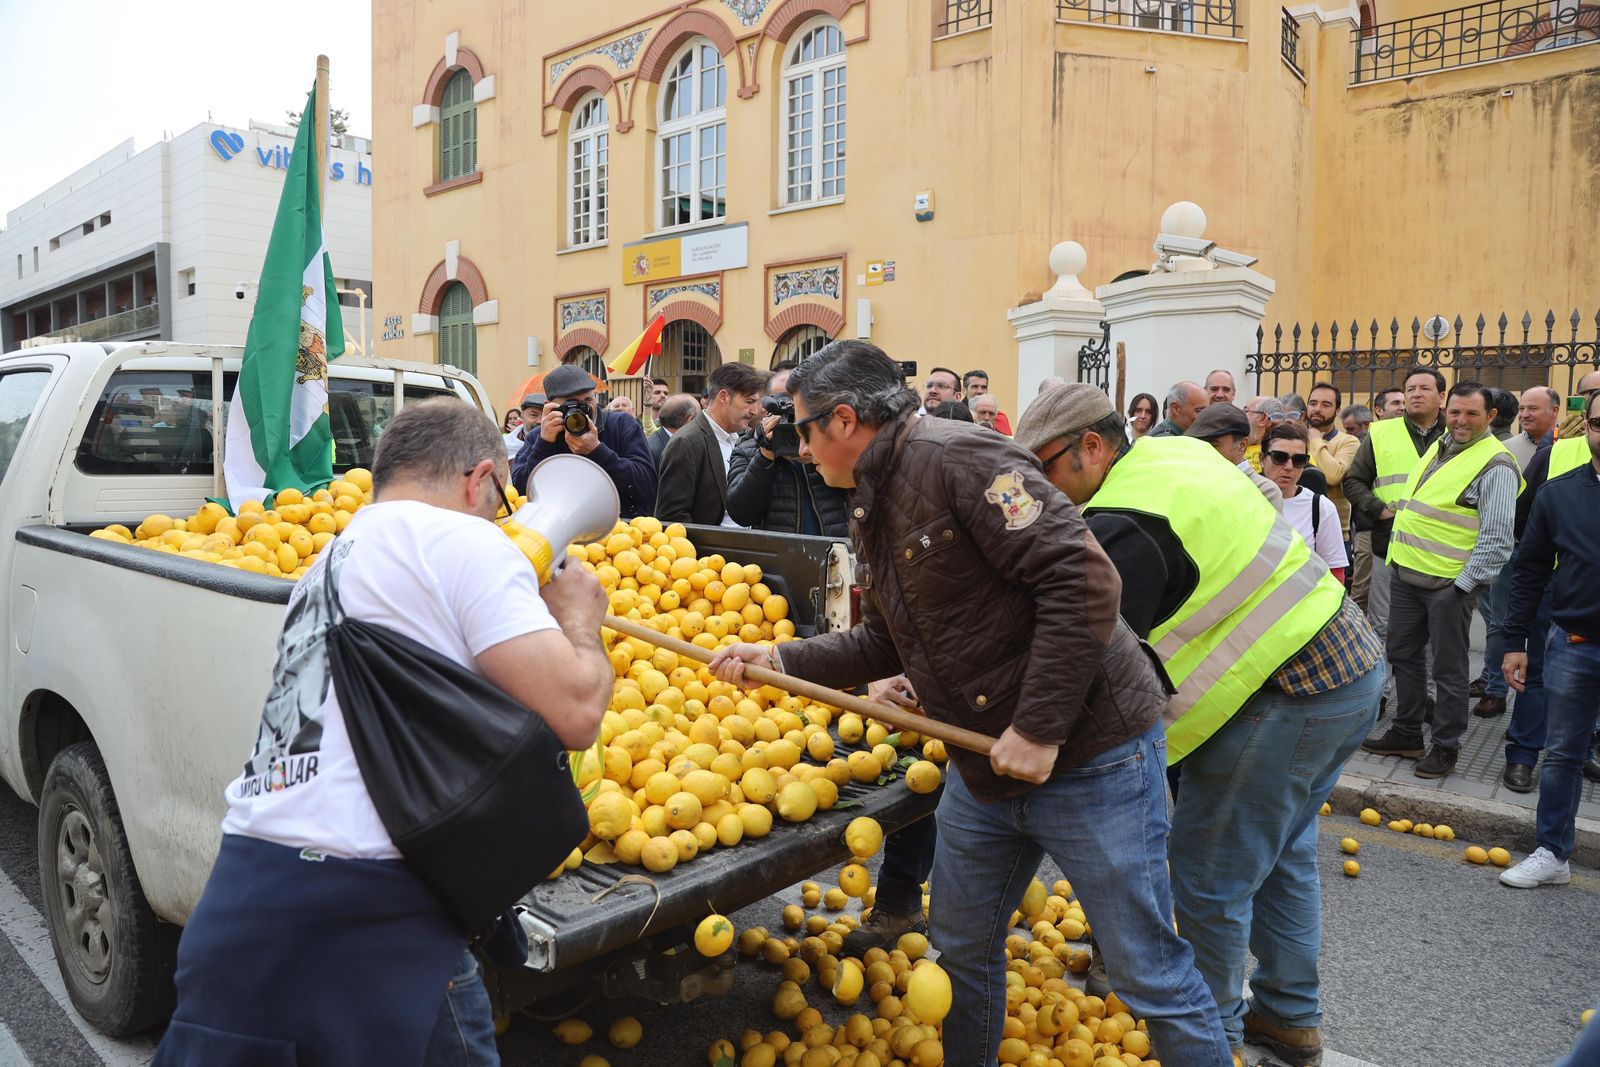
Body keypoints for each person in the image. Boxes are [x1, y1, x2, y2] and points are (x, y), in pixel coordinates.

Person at [710, 343, 1231, 1067]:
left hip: (1089, 754)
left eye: (803, 430)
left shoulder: (965, 461)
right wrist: (782, 659)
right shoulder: (873, 499)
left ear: (845, 418)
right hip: (985, 768)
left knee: (1148, 970)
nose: (798, 448)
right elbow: (886, 638)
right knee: (960, 953)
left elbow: (1082, 583)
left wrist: (1040, 727)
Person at [155, 399, 610, 1066]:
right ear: (479, 478)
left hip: (243, 900)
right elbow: (576, 712)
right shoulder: (462, 538)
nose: (500, 518)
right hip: (373, 913)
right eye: (502, 500)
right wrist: (579, 621)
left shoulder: (327, 564)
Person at [1013, 384, 1383, 1067]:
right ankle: (1290, 1019)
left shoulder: (1123, 520)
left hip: (1286, 690)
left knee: (1209, 881)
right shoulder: (1177, 456)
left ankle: (1212, 1042)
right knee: (1285, 857)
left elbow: (1083, 655)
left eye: (1045, 469)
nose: (1040, 489)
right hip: (1348, 664)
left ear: (1092, 447)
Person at [1360, 382, 1519, 780]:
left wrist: (1463, 587)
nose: (1462, 421)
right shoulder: (1443, 444)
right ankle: (1407, 733)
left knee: (1448, 673)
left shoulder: (1495, 464)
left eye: (1472, 415)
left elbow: (1498, 539)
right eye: (1456, 413)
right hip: (1408, 575)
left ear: (1490, 417)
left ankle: (1446, 747)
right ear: (1446, 411)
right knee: (1402, 656)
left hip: (1448, 587)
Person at [1497, 389, 1600, 888]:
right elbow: (1529, 570)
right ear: (1588, 428)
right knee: (1562, 754)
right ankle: (1553, 852)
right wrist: (1515, 641)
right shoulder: (1558, 493)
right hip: (1574, 645)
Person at [1469, 386, 1561, 719]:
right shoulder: (1504, 449)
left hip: (1554, 556)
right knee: (1500, 622)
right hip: (1512, 547)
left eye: (1533, 409)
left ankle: (1538, 695)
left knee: (1544, 627)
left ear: (1554, 411)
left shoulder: (1566, 450)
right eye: (1522, 408)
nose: (1525, 415)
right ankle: (1494, 688)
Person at [1342, 368, 1448, 646]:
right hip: (1389, 544)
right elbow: (1353, 481)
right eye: (1410, 389)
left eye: (1424, 388)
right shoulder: (1382, 433)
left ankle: (1427, 690)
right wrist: (1378, 509)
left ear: (1442, 396)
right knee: (1385, 623)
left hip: (1442, 547)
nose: (1415, 394)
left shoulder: (1457, 432)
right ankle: (1384, 689)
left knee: (1435, 629)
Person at [511, 365, 658, 519]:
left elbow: (647, 486)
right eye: (572, 404)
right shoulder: (539, 436)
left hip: (618, 531)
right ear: (550, 405)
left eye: (588, 400)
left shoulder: (621, 424)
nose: (583, 409)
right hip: (559, 529)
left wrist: (597, 451)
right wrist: (544, 445)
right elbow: (520, 493)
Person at [726, 367, 851, 536]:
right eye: (784, 402)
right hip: (781, 556)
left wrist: (819, 454)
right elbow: (741, 514)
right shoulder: (748, 449)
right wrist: (765, 456)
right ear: (767, 407)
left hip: (833, 553)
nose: (792, 411)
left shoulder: (826, 442)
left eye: (797, 402)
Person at [656, 361, 768, 525]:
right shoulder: (686, 442)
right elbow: (672, 518)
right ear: (724, 397)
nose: (755, 410)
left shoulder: (743, 439)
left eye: (757, 402)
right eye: (749, 401)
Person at [1261, 422, 1348, 579]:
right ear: (1262, 459)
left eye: (1299, 460)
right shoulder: (1244, 498)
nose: (1289, 467)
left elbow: (1335, 573)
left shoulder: (1320, 507)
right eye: (1279, 457)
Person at [1184, 402, 1282, 511]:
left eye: (1213, 445)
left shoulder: (1264, 491)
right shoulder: (1190, 480)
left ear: (1242, 445)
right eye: (1198, 443)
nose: (1204, 450)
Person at [1305, 382, 1359, 544]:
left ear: (1337, 411)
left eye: (1325, 404)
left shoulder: (1348, 442)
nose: (1317, 409)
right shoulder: (1295, 438)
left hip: (1333, 534)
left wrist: (1315, 439)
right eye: (1313, 403)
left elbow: (1333, 476)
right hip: (1296, 528)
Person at [648, 392, 700, 464]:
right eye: (699, 417)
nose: (700, 423)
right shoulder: (661, 452)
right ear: (689, 421)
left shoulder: (661, 441)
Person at [962, 369, 1013, 433]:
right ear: (964, 391)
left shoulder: (999, 417)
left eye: (983, 387)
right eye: (975, 387)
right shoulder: (956, 414)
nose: (980, 391)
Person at [1242, 396, 1284, 473]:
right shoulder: (1233, 445)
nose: (1241, 415)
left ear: (1263, 419)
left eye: (1246, 411)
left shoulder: (1279, 453)